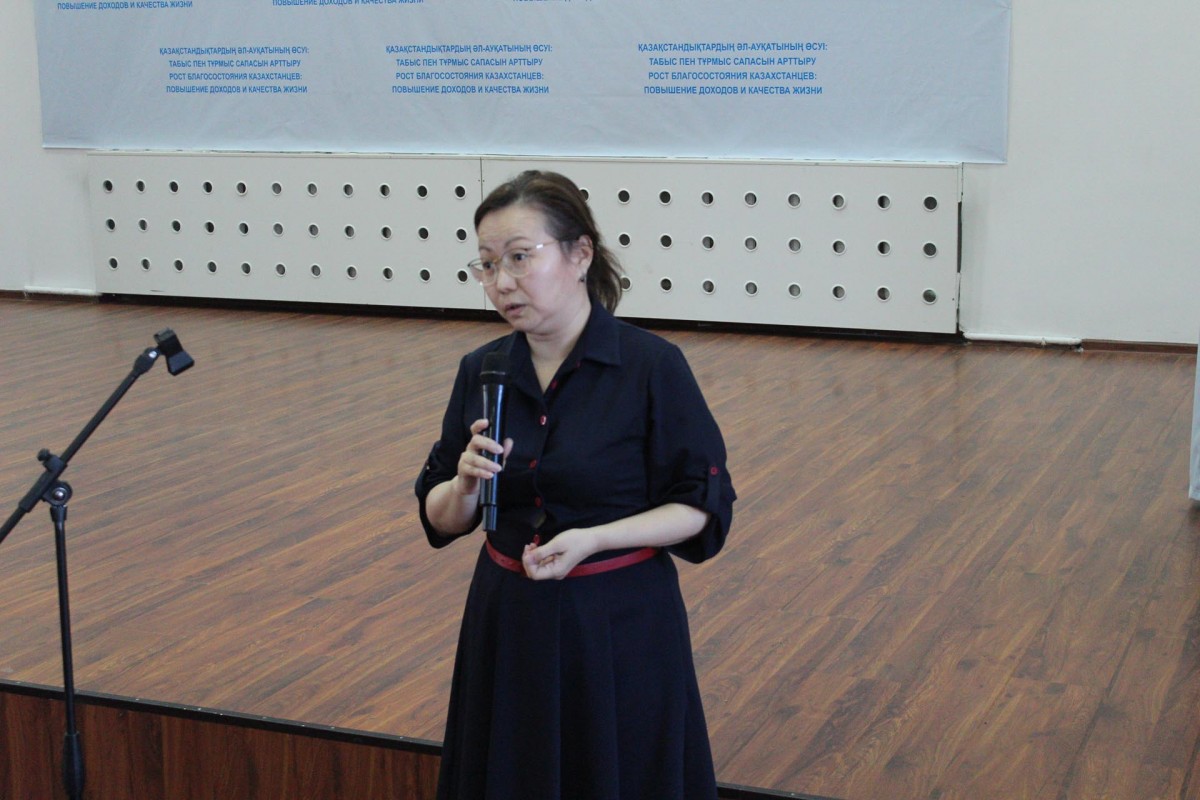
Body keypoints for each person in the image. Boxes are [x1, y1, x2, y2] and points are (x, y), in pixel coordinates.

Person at [414, 170, 735, 800]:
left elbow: (701, 506)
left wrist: (595, 538)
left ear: (580, 253)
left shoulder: (651, 366)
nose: (501, 282)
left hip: (617, 621)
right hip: (509, 620)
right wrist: (464, 485)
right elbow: (439, 517)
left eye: (519, 257)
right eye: (486, 265)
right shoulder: (481, 370)